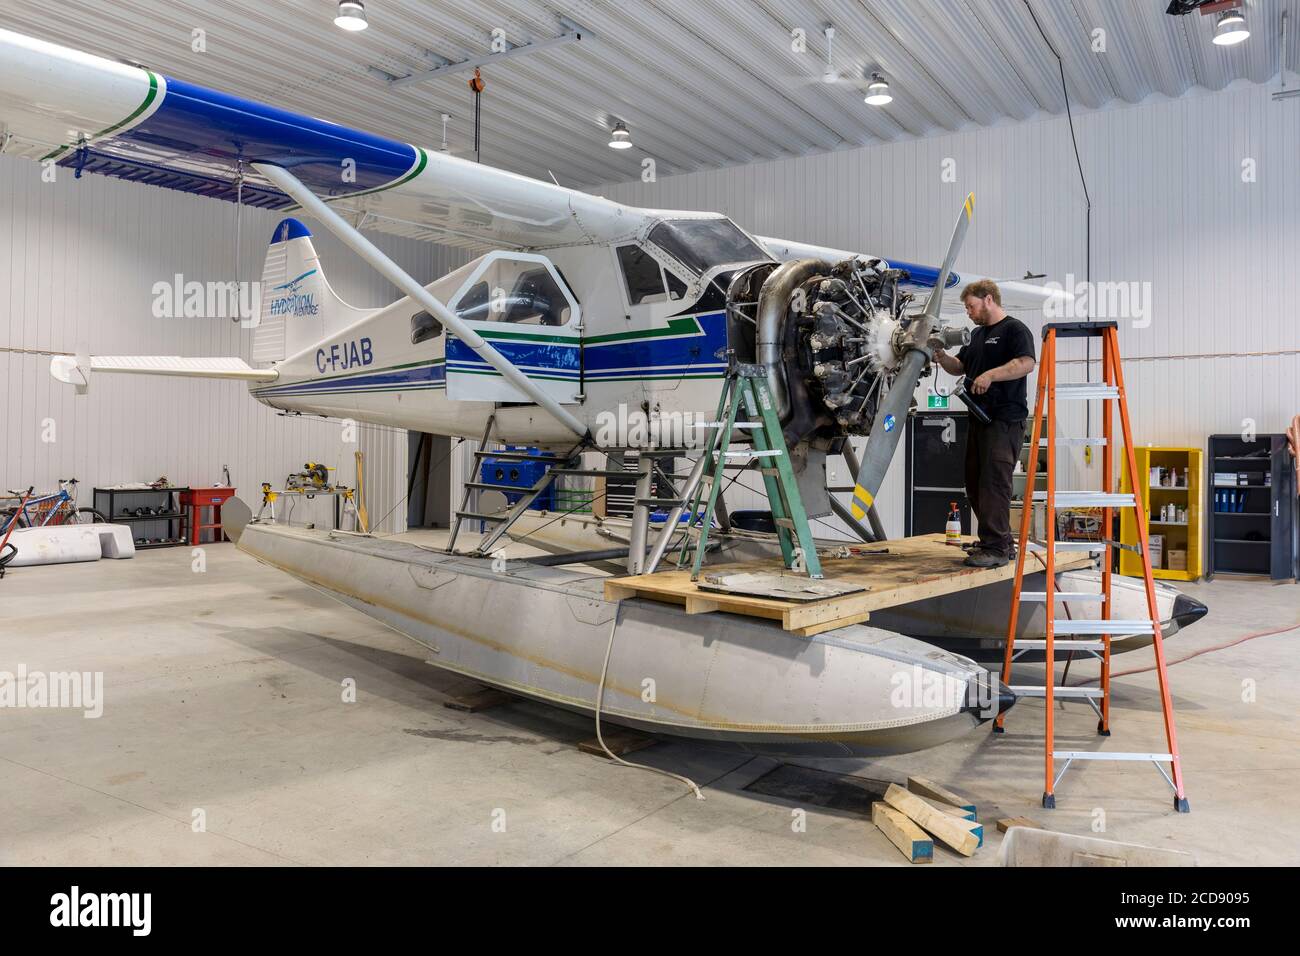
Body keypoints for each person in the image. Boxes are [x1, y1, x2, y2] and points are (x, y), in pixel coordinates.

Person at [932, 279, 1036, 568]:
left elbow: (1027, 363)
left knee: (994, 483)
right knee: (975, 483)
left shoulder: (1014, 329)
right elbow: (959, 367)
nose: (968, 312)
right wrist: (940, 356)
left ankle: (998, 548)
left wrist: (991, 375)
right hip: (978, 420)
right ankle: (995, 541)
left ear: (988, 299)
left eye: (971, 306)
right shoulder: (976, 335)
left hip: (1004, 420)